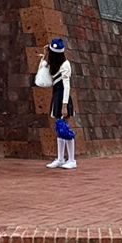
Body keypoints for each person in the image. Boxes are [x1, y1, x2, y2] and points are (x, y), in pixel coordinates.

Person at [36, 38, 76, 170]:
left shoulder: (65, 65)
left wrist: (64, 105)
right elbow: (43, 69)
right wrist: (46, 54)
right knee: (59, 129)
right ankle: (60, 158)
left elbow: (67, 85)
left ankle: (71, 159)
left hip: (63, 97)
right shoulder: (53, 62)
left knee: (65, 128)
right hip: (56, 96)